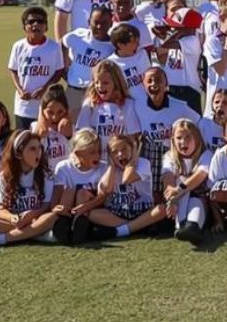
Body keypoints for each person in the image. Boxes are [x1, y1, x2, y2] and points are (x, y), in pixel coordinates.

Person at [0, 130, 62, 250]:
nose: (38, 153)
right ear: (18, 153)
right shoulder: (5, 176)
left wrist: (30, 215)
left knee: (52, 217)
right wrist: (12, 218)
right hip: (17, 222)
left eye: (39, 148)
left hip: (35, 218)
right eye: (32, 149)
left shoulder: (46, 174)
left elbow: (46, 205)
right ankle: (37, 235)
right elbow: (1, 209)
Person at [87, 134, 166, 240]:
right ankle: (140, 226)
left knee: (161, 209)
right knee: (92, 214)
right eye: (114, 152)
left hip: (141, 210)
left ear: (132, 149)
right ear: (110, 156)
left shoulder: (143, 163)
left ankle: (121, 231)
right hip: (117, 213)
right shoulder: (106, 168)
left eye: (124, 149)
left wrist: (133, 158)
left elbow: (127, 179)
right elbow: (106, 190)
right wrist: (111, 166)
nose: (120, 154)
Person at [135, 67, 197, 195]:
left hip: (172, 155)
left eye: (158, 80)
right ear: (143, 84)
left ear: (166, 84)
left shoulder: (181, 107)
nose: (153, 84)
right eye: (149, 81)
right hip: (147, 156)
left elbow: (199, 125)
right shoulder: (137, 105)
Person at [7, 6, 65, 130]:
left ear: (46, 26)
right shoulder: (18, 46)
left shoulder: (54, 47)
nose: (35, 25)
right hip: (24, 106)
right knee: (23, 142)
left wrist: (44, 89)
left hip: (46, 106)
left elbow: (59, 71)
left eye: (40, 21)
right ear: (24, 27)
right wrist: (20, 90)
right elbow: (13, 70)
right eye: (31, 22)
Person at [75, 61, 141, 163]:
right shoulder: (90, 105)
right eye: (97, 82)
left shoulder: (128, 105)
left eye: (105, 83)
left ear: (116, 83)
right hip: (96, 163)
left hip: (120, 161)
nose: (100, 86)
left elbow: (132, 139)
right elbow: (82, 137)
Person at [161, 118, 212, 245]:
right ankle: (184, 226)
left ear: (197, 138)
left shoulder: (206, 155)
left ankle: (193, 226)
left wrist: (178, 190)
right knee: (181, 199)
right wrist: (171, 199)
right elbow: (168, 179)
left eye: (188, 137)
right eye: (179, 138)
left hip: (201, 200)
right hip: (178, 201)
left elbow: (200, 175)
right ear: (173, 140)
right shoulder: (169, 157)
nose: (183, 142)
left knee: (194, 198)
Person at [51, 128, 105, 246]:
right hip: (69, 208)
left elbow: (103, 197)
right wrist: (55, 208)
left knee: (82, 193)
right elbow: (56, 195)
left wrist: (84, 207)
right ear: (78, 154)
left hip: (91, 209)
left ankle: (80, 226)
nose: (97, 156)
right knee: (69, 191)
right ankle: (64, 224)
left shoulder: (103, 168)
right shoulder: (64, 167)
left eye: (99, 151)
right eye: (92, 152)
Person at [60, 5, 116, 118]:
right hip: (73, 91)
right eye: (96, 22)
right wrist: (64, 65)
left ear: (111, 23)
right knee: (70, 127)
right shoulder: (79, 35)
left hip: (96, 93)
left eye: (104, 23)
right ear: (89, 22)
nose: (99, 26)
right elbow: (63, 42)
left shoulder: (112, 46)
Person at [34, 86, 72, 172]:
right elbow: (39, 133)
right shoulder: (34, 127)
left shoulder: (68, 128)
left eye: (60, 112)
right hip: (45, 178)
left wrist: (68, 118)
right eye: (50, 112)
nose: (55, 117)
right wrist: (41, 116)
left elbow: (69, 133)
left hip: (65, 179)